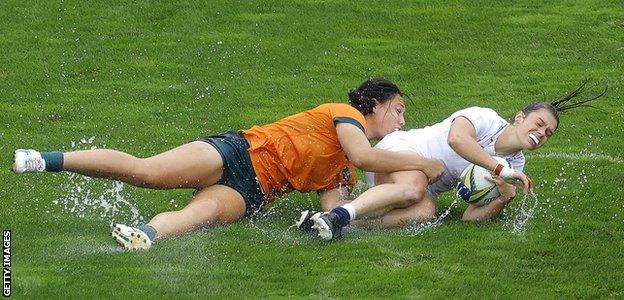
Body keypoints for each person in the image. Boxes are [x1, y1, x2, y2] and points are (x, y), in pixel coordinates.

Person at [12, 77, 444, 250]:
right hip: (238, 153)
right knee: (146, 172)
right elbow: (365, 154)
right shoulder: (344, 114)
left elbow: (334, 209)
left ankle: (144, 235)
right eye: (399, 109)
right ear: (373, 104)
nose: (403, 120)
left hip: (254, 193)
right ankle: (43, 160)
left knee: (198, 215)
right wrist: (424, 165)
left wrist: (347, 215)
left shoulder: (343, 170)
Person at [302, 80, 605, 240]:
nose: (541, 133)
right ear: (519, 117)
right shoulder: (484, 118)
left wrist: (503, 198)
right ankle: (339, 216)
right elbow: (457, 140)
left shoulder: (516, 167)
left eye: (548, 133)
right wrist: (497, 167)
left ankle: (342, 223)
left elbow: (469, 217)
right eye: (538, 124)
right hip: (401, 151)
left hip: (422, 184)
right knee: (413, 187)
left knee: (426, 210)